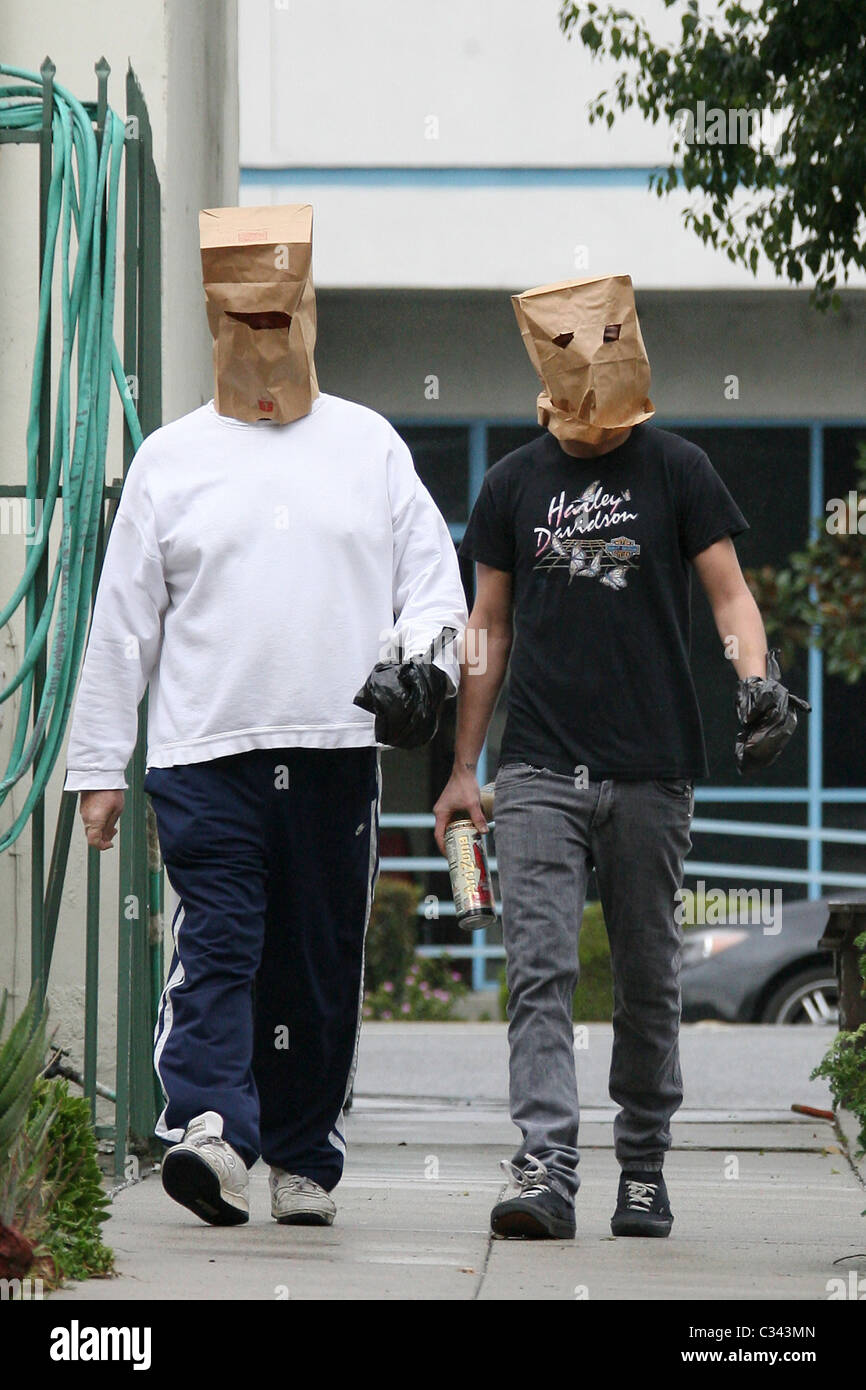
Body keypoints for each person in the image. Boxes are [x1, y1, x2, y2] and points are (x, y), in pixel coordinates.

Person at [64, 204, 468, 1228]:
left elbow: (435, 594)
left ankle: (299, 1158)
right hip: (207, 756)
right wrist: (98, 764)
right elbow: (123, 622)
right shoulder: (169, 459)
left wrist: (418, 665)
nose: (266, 339)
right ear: (217, 325)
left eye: (280, 317)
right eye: (246, 321)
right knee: (220, 945)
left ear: (308, 315)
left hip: (334, 754)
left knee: (317, 962)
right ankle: (207, 1127)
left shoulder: (368, 447)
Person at [434, 273, 805, 1241]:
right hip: (540, 768)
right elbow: (487, 628)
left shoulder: (675, 467)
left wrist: (753, 678)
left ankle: (641, 1167)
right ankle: (545, 1166)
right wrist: (462, 765)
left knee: (645, 975)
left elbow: (728, 596)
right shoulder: (511, 483)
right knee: (539, 969)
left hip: (650, 766)